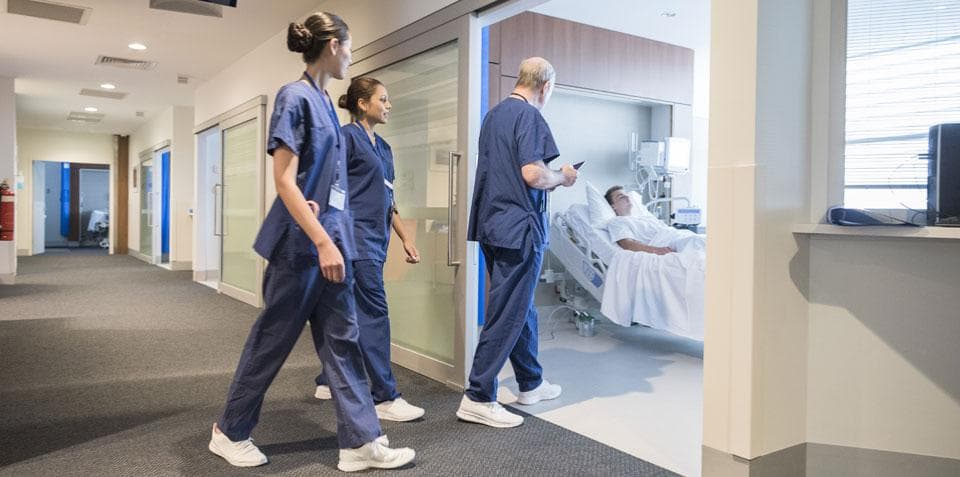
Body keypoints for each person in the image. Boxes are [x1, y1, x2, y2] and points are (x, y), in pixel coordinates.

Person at [207, 12, 415, 472]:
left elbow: (326, 186)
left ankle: (360, 442)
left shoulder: (325, 104)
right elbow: (284, 179)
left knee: (344, 341)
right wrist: (322, 241)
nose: (351, 57)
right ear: (333, 45)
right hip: (301, 248)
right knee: (273, 341)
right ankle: (230, 431)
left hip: (334, 244)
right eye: (350, 47)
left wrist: (334, 239)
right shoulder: (294, 97)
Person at [458, 57, 578, 428]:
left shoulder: (494, 116)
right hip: (519, 228)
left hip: (493, 225)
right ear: (546, 86)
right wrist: (563, 177)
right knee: (508, 311)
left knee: (521, 307)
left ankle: (531, 383)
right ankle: (478, 396)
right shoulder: (530, 116)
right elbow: (533, 174)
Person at [312, 77, 425, 422]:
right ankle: (384, 396)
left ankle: (327, 379)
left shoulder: (385, 149)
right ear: (363, 103)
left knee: (347, 312)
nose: (389, 105)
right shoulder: (346, 138)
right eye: (383, 99)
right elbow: (330, 187)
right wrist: (327, 238)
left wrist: (405, 238)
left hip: (376, 239)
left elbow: (389, 198)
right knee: (374, 315)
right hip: (355, 239)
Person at [604, 185, 673, 255]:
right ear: (613, 206)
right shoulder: (617, 222)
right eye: (621, 197)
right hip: (666, 243)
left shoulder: (644, 217)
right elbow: (627, 244)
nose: (627, 197)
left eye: (627, 195)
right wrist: (657, 250)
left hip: (672, 235)